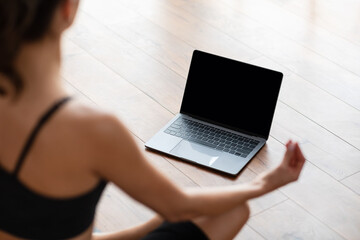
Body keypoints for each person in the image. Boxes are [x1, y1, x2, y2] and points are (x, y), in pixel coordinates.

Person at [0, 0, 306, 239]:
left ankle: (134, 234)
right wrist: (268, 181)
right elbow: (178, 206)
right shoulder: (91, 128)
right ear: (68, 10)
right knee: (231, 209)